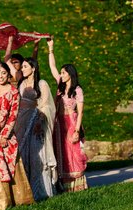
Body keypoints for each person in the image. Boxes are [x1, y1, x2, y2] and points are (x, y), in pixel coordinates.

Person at [0, 27, 35, 210]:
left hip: (4, 132)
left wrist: (5, 134)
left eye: (4, 74)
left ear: (8, 75)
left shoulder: (12, 91)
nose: (1, 76)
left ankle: (12, 199)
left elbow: (13, 114)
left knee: (9, 162)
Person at [13, 57, 58, 201]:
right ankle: (25, 192)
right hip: (22, 122)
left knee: (36, 155)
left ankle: (41, 191)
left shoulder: (41, 84)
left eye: (25, 66)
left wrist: (39, 120)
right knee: (23, 154)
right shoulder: (21, 83)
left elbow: (47, 105)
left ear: (33, 68)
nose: (22, 69)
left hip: (36, 121)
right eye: (23, 67)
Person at [47, 38, 88, 192]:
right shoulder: (60, 85)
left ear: (70, 74)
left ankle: (76, 184)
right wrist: (51, 49)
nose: (61, 74)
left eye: (63, 73)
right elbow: (52, 66)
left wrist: (77, 130)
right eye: (61, 73)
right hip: (59, 123)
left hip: (71, 122)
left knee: (72, 151)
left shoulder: (77, 90)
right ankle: (62, 184)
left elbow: (81, 110)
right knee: (61, 150)